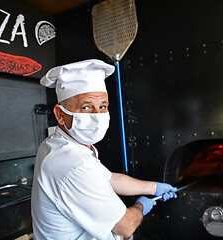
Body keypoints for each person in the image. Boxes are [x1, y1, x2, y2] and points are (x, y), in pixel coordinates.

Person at [31, 59, 177, 240]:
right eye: (86, 107)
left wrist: (153, 188)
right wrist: (141, 206)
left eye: (103, 106)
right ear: (60, 115)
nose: (97, 116)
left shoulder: (57, 144)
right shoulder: (75, 164)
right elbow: (126, 226)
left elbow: (109, 178)